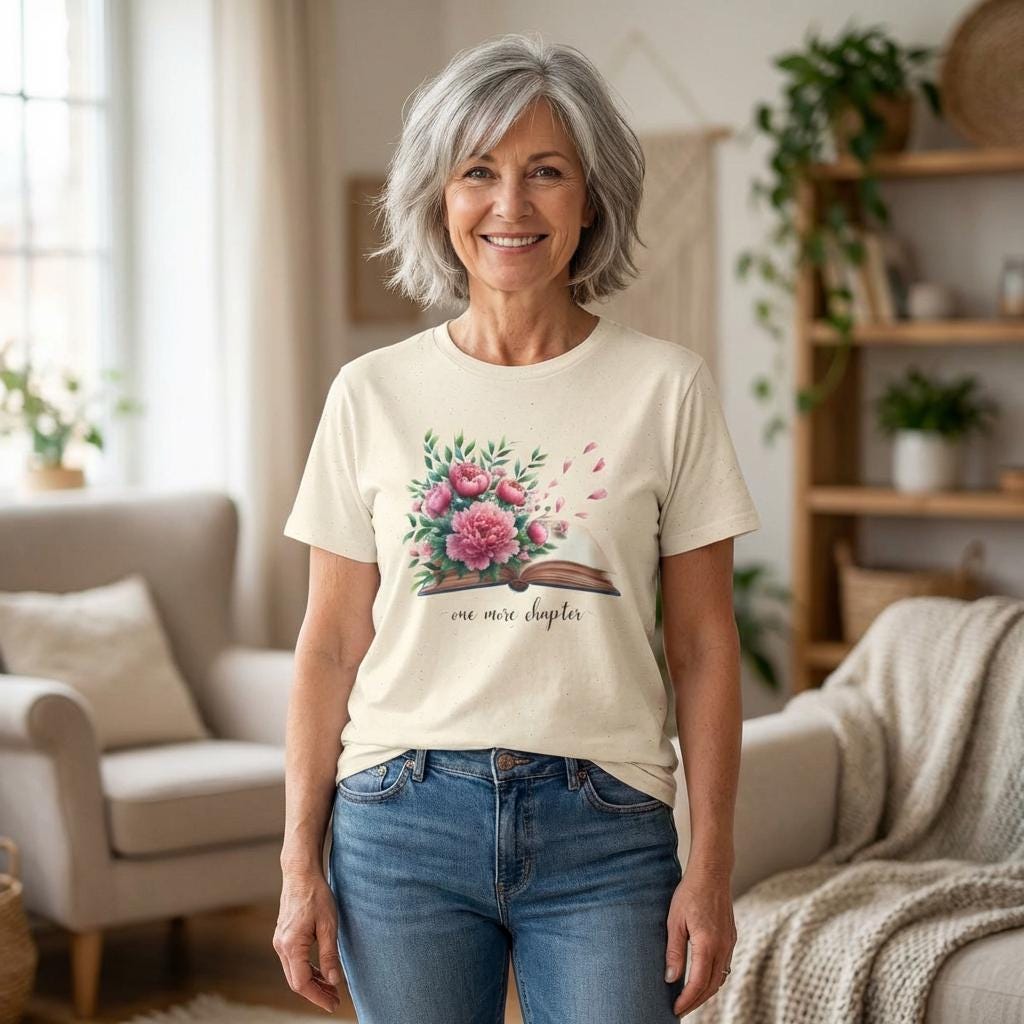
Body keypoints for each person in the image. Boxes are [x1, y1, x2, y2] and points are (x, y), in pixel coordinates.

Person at [274, 31, 759, 1024]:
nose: (509, 205)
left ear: (592, 198)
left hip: (607, 827)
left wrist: (709, 870)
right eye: (478, 173)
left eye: (546, 172)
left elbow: (707, 644)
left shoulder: (667, 388)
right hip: (396, 821)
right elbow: (328, 644)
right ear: (438, 198)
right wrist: (295, 864)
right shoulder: (370, 393)